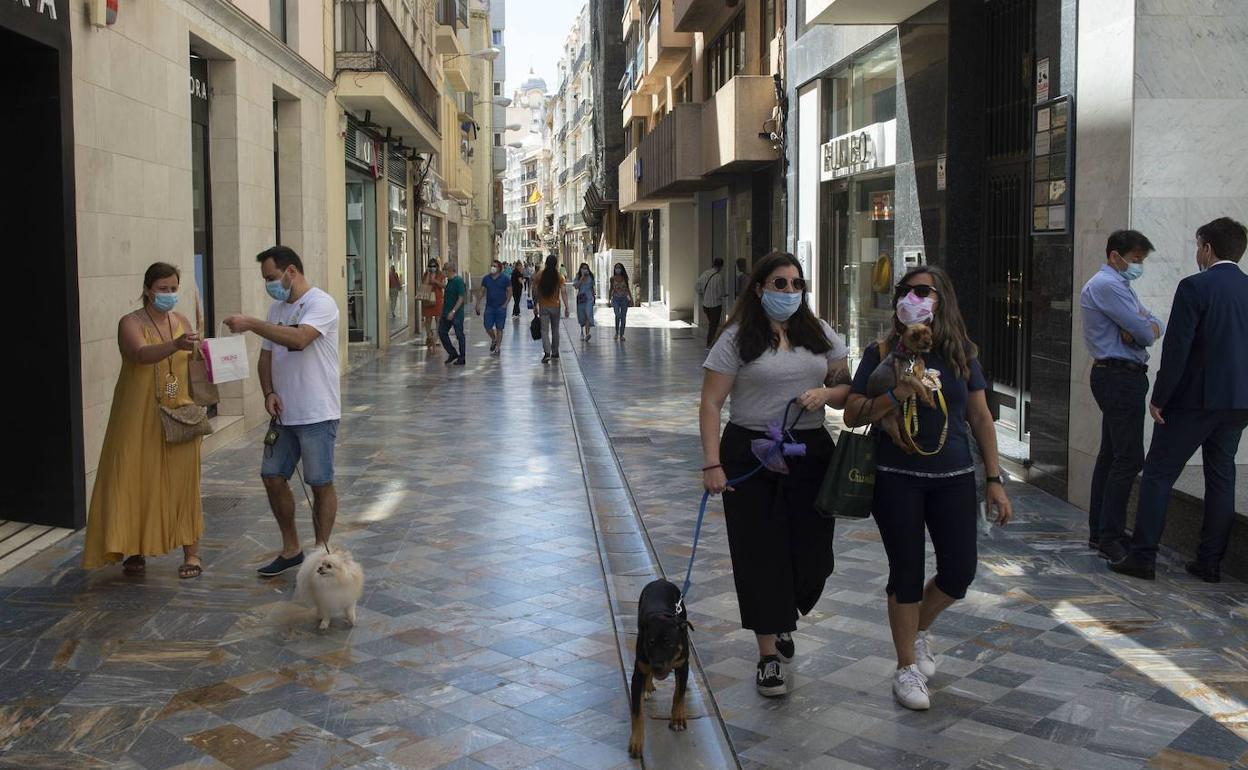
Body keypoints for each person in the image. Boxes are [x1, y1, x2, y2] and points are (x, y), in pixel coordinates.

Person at [844, 265, 1012, 712]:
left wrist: (994, 479)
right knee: (906, 573)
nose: (912, 297)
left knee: (959, 572)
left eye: (923, 291)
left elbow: (980, 417)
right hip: (896, 479)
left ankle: (916, 628)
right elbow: (853, 413)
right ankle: (906, 667)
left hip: (954, 477)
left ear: (942, 301)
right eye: (905, 291)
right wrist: (896, 395)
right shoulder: (880, 350)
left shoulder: (961, 353)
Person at [700, 252, 852, 698]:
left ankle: (784, 611)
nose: (788, 291)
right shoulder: (735, 338)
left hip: (810, 452)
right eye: (779, 283)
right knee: (758, 552)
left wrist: (827, 391)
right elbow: (711, 403)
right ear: (760, 288)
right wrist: (713, 463)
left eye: (795, 284)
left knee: (814, 556)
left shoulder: (820, 333)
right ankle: (768, 653)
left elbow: (847, 391)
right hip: (750, 454)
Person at [1111, 217, 1248, 583]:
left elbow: (1177, 350)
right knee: (1222, 477)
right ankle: (1210, 563)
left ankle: (1142, 557)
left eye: (1197, 245)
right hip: (1238, 403)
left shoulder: (1194, 287)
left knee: (1157, 474)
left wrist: (1159, 397)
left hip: (1193, 401)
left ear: (1207, 248)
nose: (1196, 253)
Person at [223, 246, 341, 578]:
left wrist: (251, 322)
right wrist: (269, 391)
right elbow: (266, 356)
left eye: (271, 278)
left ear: (291, 272)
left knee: (320, 483)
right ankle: (291, 549)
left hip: (317, 412)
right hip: (284, 415)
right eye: (265, 280)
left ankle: (320, 553)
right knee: (272, 476)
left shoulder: (321, 303)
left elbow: (301, 338)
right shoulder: (276, 308)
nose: (269, 285)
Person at [83, 263, 205, 579]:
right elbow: (139, 354)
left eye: (173, 289)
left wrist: (201, 351)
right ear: (148, 289)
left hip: (179, 413)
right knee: (134, 477)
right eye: (163, 289)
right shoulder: (130, 322)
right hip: (137, 416)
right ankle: (133, 549)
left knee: (182, 481)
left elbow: (190, 361)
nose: (168, 294)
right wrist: (175, 345)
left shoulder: (181, 320)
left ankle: (191, 554)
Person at [1078, 230, 1166, 563]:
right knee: (1128, 458)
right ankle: (1109, 536)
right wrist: (1143, 328)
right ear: (1116, 256)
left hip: (1119, 375)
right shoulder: (1108, 286)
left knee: (1112, 453)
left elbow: (1155, 323)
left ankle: (1101, 530)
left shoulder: (1120, 286)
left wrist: (1146, 328)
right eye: (1136, 259)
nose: (1138, 266)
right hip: (1118, 376)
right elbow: (1146, 330)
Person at [534, 254, 569, 363]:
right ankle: (555, 352)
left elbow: (534, 290)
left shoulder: (540, 275)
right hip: (556, 306)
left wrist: (535, 304)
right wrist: (567, 307)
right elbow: (563, 292)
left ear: (546, 263)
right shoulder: (559, 276)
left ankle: (547, 353)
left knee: (544, 330)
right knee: (555, 329)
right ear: (556, 264)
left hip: (543, 306)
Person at [475, 259, 512, 356]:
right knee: (487, 326)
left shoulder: (505, 279)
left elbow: (509, 292)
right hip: (490, 307)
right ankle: (494, 339)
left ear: (499, 268)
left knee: (500, 328)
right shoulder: (486, 279)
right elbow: (481, 291)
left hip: (501, 307)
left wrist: (505, 304)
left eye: (495, 266)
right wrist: (477, 304)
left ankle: (498, 347)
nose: (492, 267)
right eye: (492, 265)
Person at [439, 262, 468, 365]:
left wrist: (453, 311)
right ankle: (452, 353)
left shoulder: (458, 281)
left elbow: (461, 298)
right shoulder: (450, 281)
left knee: (459, 335)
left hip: (456, 314)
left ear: (450, 270)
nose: (443, 271)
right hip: (446, 313)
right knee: (442, 332)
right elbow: (447, 290)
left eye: (444, 269)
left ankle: (462, 357)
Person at [696, 258, 728, 347]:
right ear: (721, 266)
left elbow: (696, 287)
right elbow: (721, 292)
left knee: (712, 324)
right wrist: (725, 295)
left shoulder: (705, 274)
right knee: (713, 325)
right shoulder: (718, 277)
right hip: (715, 305)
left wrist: (703, 296)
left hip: (705, 305)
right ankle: (710, 343)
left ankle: (712, 342)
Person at [420, 257, 446, 349]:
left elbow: (444, 285)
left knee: (438, 319)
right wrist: (428, 275)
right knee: (428, 319)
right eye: (430, 266)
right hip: (428, 298)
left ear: (437, 266)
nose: (432, 268)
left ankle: (436, 338)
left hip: (438, 299)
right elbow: (424, 284)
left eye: (434, 266)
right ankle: (429, 337)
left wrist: (435, 281)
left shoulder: (441, 275)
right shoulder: (426, 274)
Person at [609, 262, 634, 341]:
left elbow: (628, 289)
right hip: (615, 299)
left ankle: (621, 335)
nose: (618, 269)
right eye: (616, 268)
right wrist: (609, 299)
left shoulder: (625, 278)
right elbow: (611, 289)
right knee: (617, 315)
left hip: (624, 299)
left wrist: (631, 299)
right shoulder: (612, 279)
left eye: (619, 267)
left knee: (623, 317)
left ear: (622, 269)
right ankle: (616, 332)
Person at [573, 263, 596, 341]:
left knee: (588, 314)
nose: (585, 269)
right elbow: (576, 286)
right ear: (580, 269)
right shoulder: (578, 276)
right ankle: (581, 332)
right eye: (583, 268)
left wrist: (594, 297)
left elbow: (592, 287)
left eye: (586, 268)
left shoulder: (591, 276)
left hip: (589, 298)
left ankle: (587, 334)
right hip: (581, 298)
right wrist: (581, 278)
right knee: (582, 315)